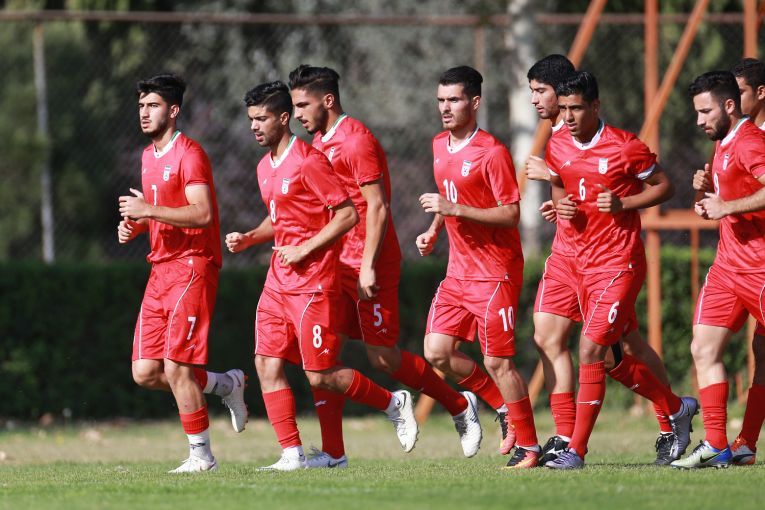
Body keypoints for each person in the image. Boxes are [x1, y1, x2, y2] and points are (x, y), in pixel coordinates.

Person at [287, 65, 481, 467]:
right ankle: (333, 453)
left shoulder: (356, 141)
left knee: (383, 358)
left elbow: (377, 206)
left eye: (303, 105)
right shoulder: (318, 142)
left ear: (328, 100)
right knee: (324, 359)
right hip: (334, 266)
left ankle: (459, 404)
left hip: (369, 262)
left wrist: (368, 265)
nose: (298, 114)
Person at [225, 81, 418, 471]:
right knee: (265, 363)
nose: (254, 126)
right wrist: (251, 237)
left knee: (320, 375)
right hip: (278, 282)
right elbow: (282, 218)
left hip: (313, 283)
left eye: (261, 118)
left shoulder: (309, 161)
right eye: (251, 119)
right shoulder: (264, 167)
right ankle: (292, 454)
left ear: (283, 118)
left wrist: (304, 249)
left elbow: (347, 214)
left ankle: (393, 403)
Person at [525, 55, 695, 466]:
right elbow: (562, 187)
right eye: (564, 108)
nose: (567, 116)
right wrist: (561, 206)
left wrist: (624, 203)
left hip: (614, 263)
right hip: (569, 259)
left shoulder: (624, 146)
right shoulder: (557, 143)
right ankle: (674, 409)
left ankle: (576, 450)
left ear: (595, 106)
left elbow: (665, 186)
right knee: (568, 343)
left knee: (594, 351)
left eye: (575, 108)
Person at [118, 74, 247, 474]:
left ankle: (202, 457)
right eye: (141, 106)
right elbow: (163, 212)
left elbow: (203, 213)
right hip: (160, 268)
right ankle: (225, 384)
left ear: (173, 110)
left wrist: (148, 211)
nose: (144, 113)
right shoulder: (148, 156)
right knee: (145, 372)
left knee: (177, 368)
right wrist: (138, 226)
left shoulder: (189, 154)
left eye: (153, 105)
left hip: (192, 265)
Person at [416, 65, 540, 469]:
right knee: (436, 351)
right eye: (440, 100)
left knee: (498, 362)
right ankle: (503, 408)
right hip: (458, 272)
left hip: (495, 272)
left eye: (453, 100)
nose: (445, 108)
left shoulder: (492, 152)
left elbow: (510, 213)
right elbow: (447, 196)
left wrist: (454, 209)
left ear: (474, 102)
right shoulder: (438, 144)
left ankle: (530, 446)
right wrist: (433, 229)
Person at [672, 70, 765, 469]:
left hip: (760, 270)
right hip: (728, 268)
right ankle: (716, 444)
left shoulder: (750, 141)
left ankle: (742, 442)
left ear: (729, 105)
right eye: (696, 112)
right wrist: (707, 193)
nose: (699, 120)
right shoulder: (723, 142)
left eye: (705, 111)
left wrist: (727, 206)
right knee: (703, 348)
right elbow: (726, 198)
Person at [727, 58, 765, 466]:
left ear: (760, 93)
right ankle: (746, 442)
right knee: (761, 349)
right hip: (747, 261)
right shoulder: (736, 137)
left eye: (738, 92)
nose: (731, 101)